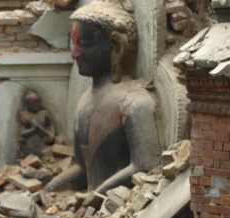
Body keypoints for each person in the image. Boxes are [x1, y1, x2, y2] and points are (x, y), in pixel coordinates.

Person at [44, 0, 163, 194]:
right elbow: (83, 169)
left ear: (117, 47)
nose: (74, 54)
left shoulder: (135, 103)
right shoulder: (84, 102)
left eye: (85, 44)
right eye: (74, 44)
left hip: (119, 208)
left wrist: (96, 195)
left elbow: (145, 167)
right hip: (92, 210)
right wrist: (48, 191)